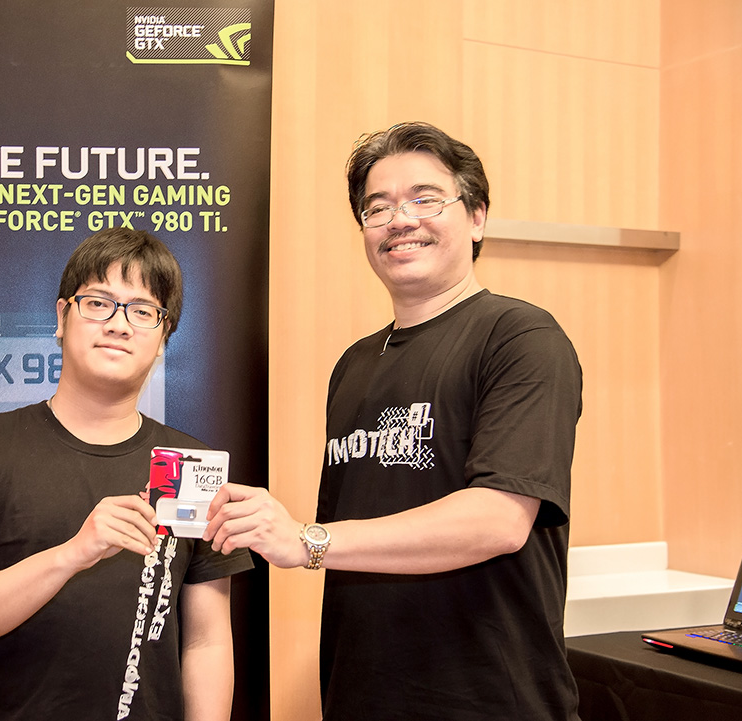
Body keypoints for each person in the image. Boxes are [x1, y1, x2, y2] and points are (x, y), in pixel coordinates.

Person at [203, 122, 583, 720]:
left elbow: (499, 520)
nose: (400, 220)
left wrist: (306, 540)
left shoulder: (520, 338)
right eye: (377, 208)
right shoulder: (353, 365)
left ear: (477, 217)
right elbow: (362, 537)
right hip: (362, 697)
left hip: (488, 702)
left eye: (425, 199)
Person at [0, 227, 253, 720]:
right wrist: (73, 554)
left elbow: (206, 642)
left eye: (142, 311)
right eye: (99, 303)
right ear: (62, 317)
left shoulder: (191, 465)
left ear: (163, 337)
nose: (119, 324)